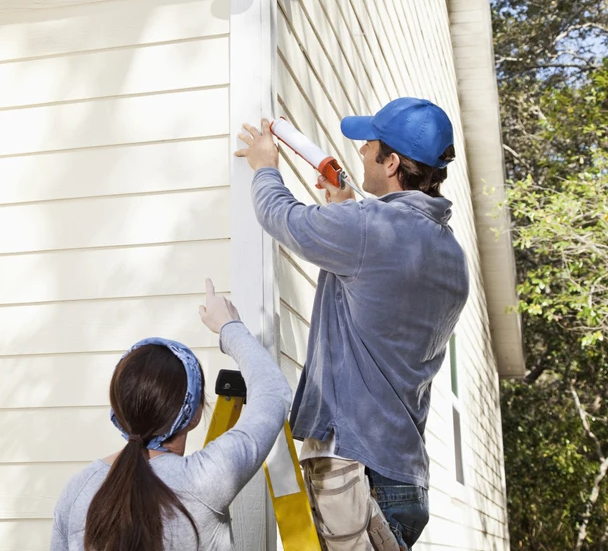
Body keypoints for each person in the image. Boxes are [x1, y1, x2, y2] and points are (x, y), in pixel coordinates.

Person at [236, 98, 470, 550]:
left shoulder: (369, 228)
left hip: (354, 470)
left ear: (393, 162)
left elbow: (279, 216)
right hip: (405, 477)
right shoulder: (451, 255)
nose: (360, 151)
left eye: (369, 144)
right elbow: (381, 292)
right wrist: (345, 205)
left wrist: (265, 167)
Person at [49, 279, 291, 551]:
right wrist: (228, 326)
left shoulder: (77, 491)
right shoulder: (204, 480)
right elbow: (272, 393)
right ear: (194, 414)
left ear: (119, 409)